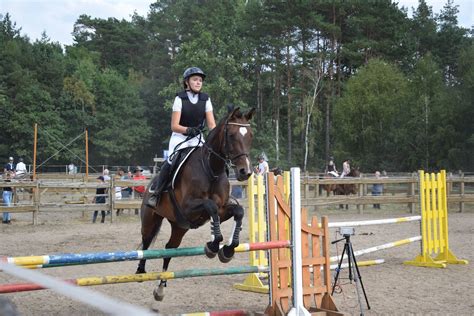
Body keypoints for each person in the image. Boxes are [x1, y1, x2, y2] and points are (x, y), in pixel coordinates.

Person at [147, 66, 216, 207]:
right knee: (172, 161)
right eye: (195, 79)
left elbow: (211, 125)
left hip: (197, 138)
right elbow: (174, 126)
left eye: (200, 80)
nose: (198, 82)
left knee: (211, 159)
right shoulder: (180, 98)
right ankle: (157, 192)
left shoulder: (206, 99)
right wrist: (188, 130)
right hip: (180, 138)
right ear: (187, 82)